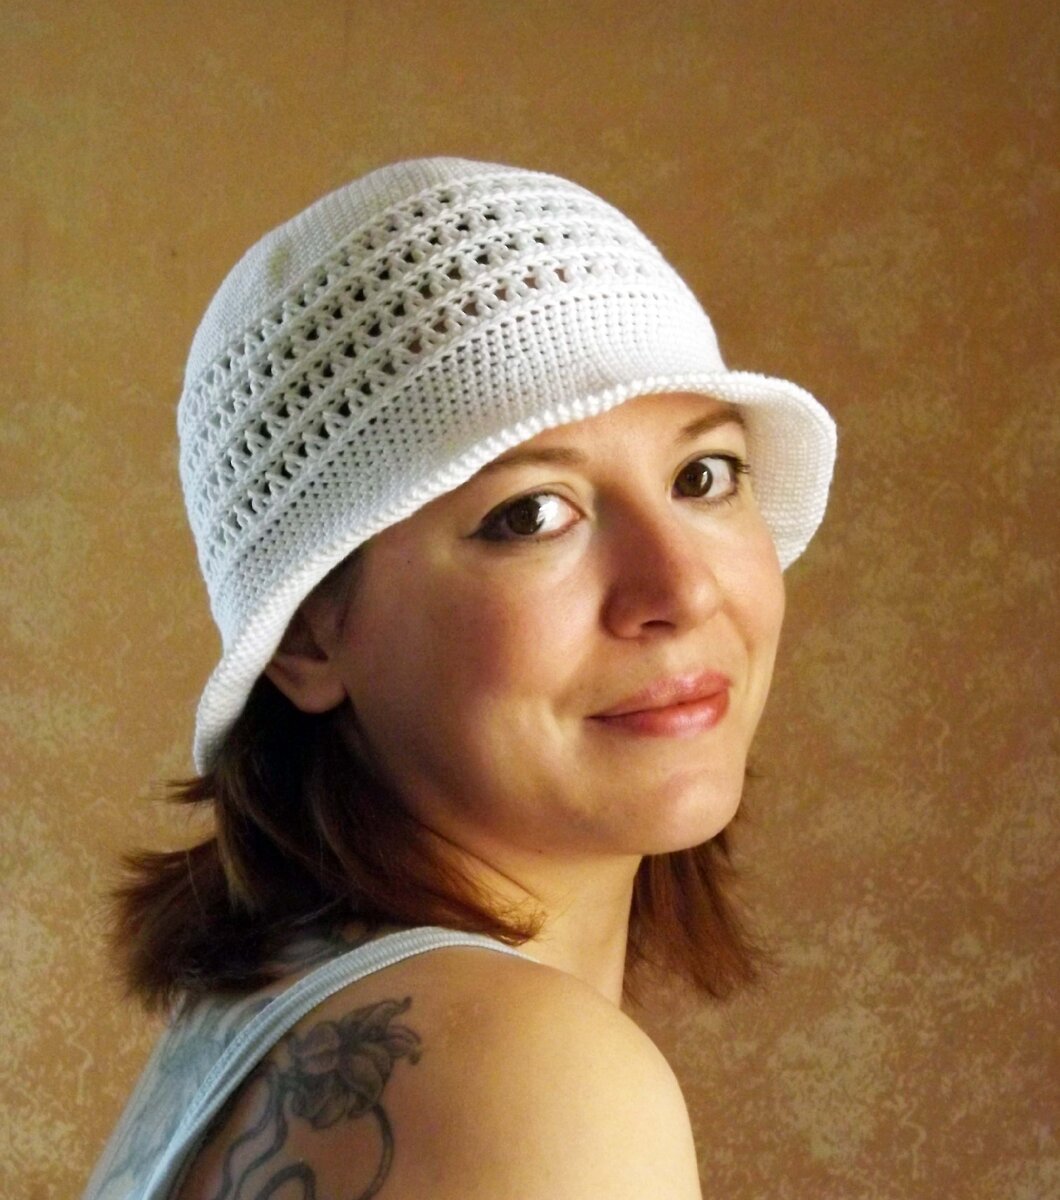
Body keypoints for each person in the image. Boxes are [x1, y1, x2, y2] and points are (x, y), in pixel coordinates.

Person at [84, 156, 836, 1200]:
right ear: (307, 641)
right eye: (530, 514)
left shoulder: (263, 1023)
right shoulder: (525, 1076)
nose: (680, 589)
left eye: (701, 476)